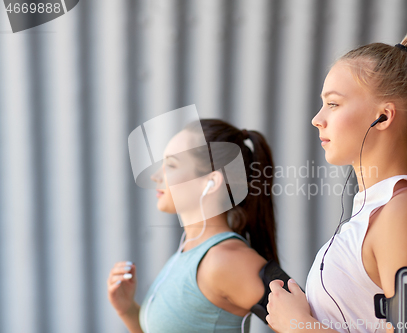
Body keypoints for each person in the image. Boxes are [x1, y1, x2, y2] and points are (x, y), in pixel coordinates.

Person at [265, 32, 407, 333]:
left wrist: (299, 327)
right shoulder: (387, 211)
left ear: (384, 117)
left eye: (333, 104)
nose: (317, 118)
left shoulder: (403, 212)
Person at [107, 119, 279, 333]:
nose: (156, 176)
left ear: (211, 182)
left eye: (171, 165)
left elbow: (306, 324)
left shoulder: (225, 260)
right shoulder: (190, 250)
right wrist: (128, 310)